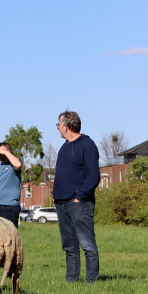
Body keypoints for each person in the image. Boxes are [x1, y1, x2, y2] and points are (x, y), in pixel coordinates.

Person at [53, 110, 100, 283]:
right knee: (69, 246)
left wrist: (79, 197)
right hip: (61, 203)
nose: (57, 127)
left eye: (58, 124)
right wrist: (55, 195)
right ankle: (71, 281)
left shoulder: (87, 145)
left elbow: (94, 176)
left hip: (79, 203)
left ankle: (91, 282)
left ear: (66, 126)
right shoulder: (64, 148)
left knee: (87, 244)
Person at [0, 141, 23, 228]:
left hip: (10, 206)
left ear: (8, 152)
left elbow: (18, 165)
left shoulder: (13, 164)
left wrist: (6, 152)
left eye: (1, 152)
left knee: (10, 235)